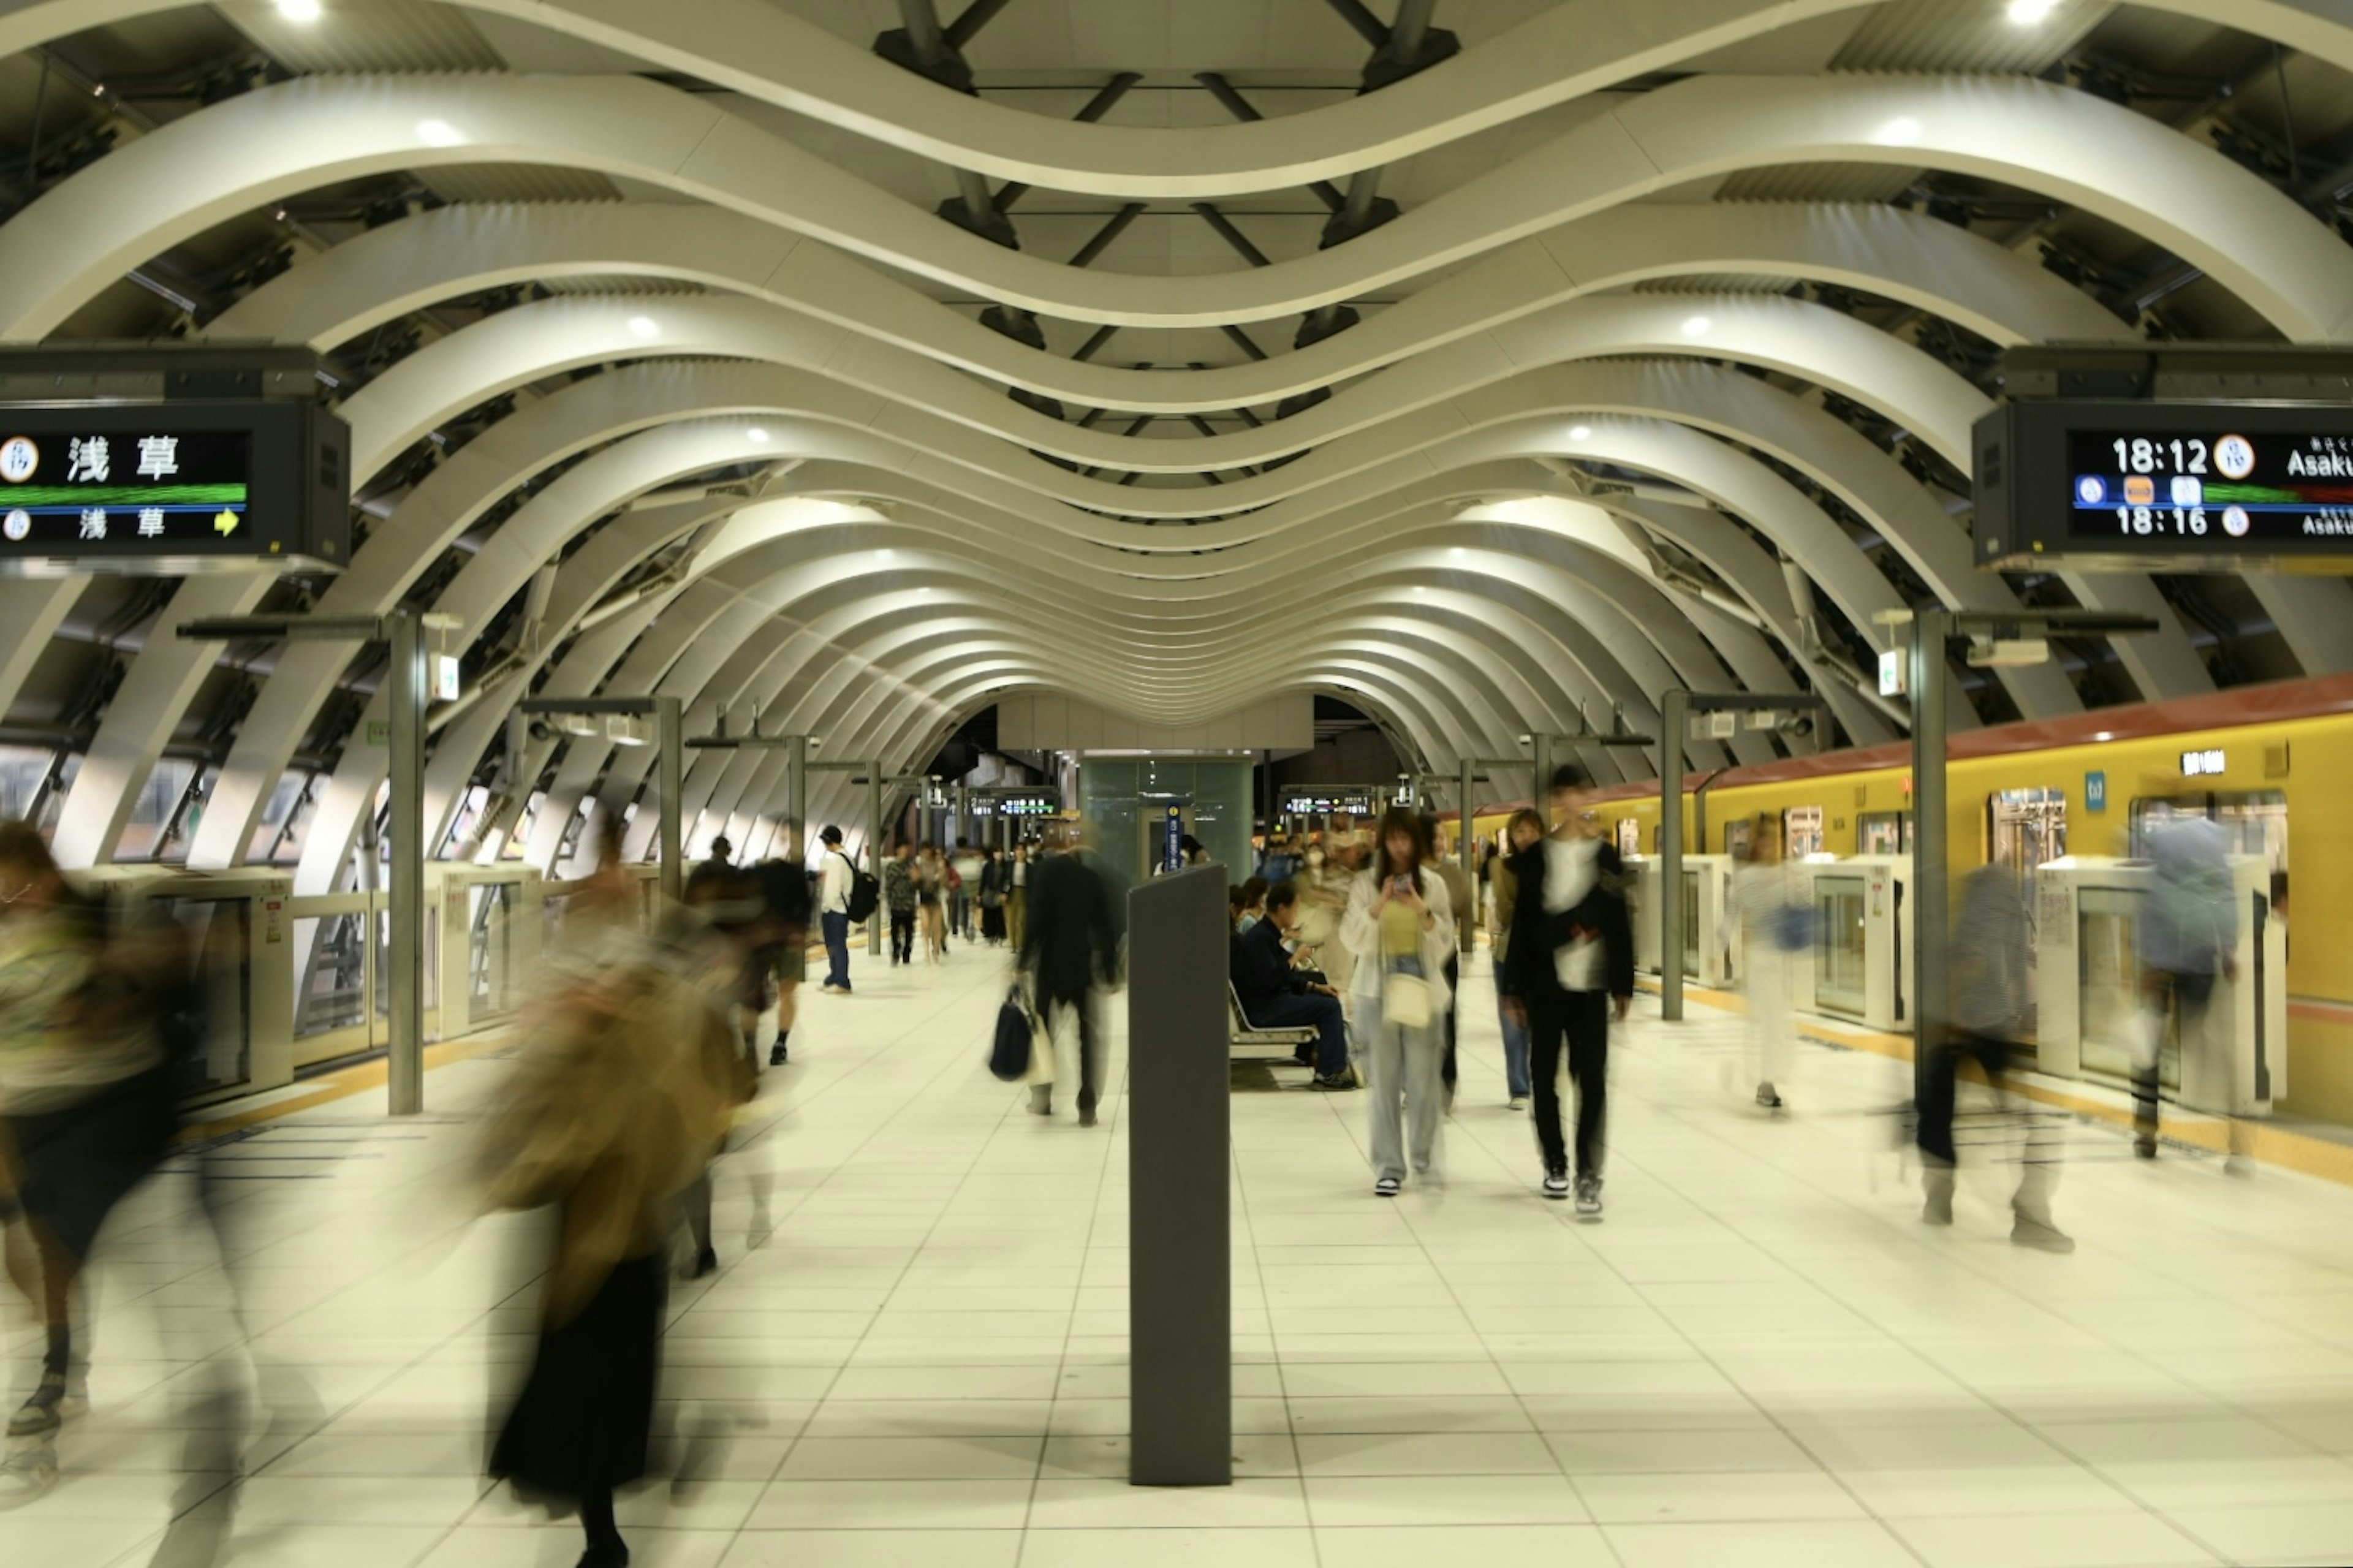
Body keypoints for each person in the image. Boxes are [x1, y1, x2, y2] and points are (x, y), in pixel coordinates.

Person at [480, 898, 746, 1568]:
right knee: (580, 1390)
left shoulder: (649, 1041)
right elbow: (513, 1141)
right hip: (579, 1254)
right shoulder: (571, 1048)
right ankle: (598, 1522)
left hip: (624, 1250)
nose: (589, 993)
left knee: (604, 1392)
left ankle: (602, 1526)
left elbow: (688, 1131)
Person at [0, 825, 176, 1506]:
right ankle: (58, 1356)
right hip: (20, 1108)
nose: (17, 897)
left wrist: (89, 1013)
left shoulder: (97, 920)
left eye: (23, 882)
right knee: (28, 1251)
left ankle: (56, 1371)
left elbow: (141, 999)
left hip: (97, 1112)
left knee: (57, 1250)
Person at [1919, 864, 2074, 1251]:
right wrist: (2018, 1009)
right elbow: (2001, 957)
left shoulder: (1962, 893)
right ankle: (2030, 1212)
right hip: (1985, 1022)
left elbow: (1982, 956)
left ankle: (1939, 1193)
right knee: (2023, 1116)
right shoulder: (1999, 898)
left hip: (1953, 1022)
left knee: (1938, 1111)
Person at [1502, 765, 1633, 1216]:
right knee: (1543, 1076)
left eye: (1581, 791)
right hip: (1545, 983)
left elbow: (1618, 919)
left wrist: (1623, 983)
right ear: (1557, 798)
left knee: (1592, 1080)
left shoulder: (1607, 856)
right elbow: (1524, 924)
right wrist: (1513, 986)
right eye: (1565, 793)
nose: (1574, 800)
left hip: (1592, 985)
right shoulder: (1538, 856)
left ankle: (1589, 1173)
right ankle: (1555, 1161)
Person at [1341, 808, 1457, 1196]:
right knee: (1385, 1083)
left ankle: (1424, 1160)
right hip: (1377, 988)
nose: (1398, 846)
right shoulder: (1364, 885)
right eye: (1391, 839)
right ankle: (1389, 1166)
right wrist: (1380, 904)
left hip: (1421, 985)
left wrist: (1421, 911)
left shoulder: (1434, 885)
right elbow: (1351, 940)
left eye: (1405, 838)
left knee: (1424, 1082)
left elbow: (1446, 943)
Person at [2134, 812, 2238, 1161]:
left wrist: (2148, 962)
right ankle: (2237, 1135)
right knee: (2209, 1043)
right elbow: (2226, 900)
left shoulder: (2161, 850)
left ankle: (2146, 1131)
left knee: (2151, 1046)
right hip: (2201, 964)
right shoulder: (2213, 852)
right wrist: (2228, 951)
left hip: (2163, 967)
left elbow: (2148, 910)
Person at [1020, 821, 1118, 1126]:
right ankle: (1087, 1097)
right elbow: (1105, 928)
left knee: (1043, 1032)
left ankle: (1043, 1096)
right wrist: (1110, 970)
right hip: (1081, 964)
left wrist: (1022, 961)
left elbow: (1036, 919)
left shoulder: (1045, 874)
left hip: (1049, 965)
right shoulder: (1091, 879)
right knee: (1087, 1035)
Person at [1233, 881, 1354, 1089]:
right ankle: (1328, 1073)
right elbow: (1273, 978)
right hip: (1264, 1008)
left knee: (1326, 996)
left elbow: (1282, 976)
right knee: (1330, 1008)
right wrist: (1296, 957)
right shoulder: (1260, 938)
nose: (1296, 914)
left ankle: (1314, 1056)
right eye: (1295, 909)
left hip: (1269, 1001)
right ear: (1282, 908)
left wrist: (1315, 988)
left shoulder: (1266, 934)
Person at [1732, 812, 1805, 1112]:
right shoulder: (1749, 877)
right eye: (1768, 839)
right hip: (1761, 959)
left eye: (1777, 839)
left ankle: (1767, 1079)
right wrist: (1720, 948)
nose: (1773, 845)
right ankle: (1766, 1082)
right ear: (1758, 843)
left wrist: (1792, 885)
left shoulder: (1784, 873)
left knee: (1775, 1022)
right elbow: (1735, 910)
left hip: (1779, 958)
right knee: (1771, 1022)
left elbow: (1800, 904)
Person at [1488, 808, 1545, 1110]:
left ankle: (1541, 1084)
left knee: (1543, 1023)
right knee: (1513, 1024)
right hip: (1509, 953)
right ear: (1511, 835)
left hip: (1544, 956)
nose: (1527, 837)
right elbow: (1506, 910)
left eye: (1533, 830)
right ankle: (1519, 1088)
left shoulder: (1553, 865)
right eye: (1520, 831)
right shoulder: (1501, 866)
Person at [1428, 825, 1474, 1111]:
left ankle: (1446, 1083)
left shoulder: (1452, 874)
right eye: (1434, 837)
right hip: (1413, 957)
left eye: (1443, 837)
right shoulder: (1406, 873)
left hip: (1445, 957)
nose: (1440, 843)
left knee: (1446, 1020)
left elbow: (1466, 910)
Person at [816, 825, 856, 994]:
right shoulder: (847, 857)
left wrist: (827, 906)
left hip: (836, 909)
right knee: (834, 944)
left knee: (837, 945)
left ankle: (842, 981)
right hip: (840, 908)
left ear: (828, 841)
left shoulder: (839, 860)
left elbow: (834, 888)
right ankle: (834, 976)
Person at [883, 841, 919, 966]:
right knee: (895, 930)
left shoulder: (912, 865)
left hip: (909, 902)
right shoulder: (892, 866)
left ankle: (907, 953)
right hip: (896, 902)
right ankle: (895, 952)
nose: (905, 852)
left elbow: (917, 883)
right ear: (897, 850)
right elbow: (889, 883)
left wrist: (915, 878)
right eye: (902, 850)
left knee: (910, 930)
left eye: (907, 850)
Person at [916, 845, 947, 963]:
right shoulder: (919, 866)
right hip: (924, 898)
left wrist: (941, 871)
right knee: (925, 925)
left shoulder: (938, 865)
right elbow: (916, 881)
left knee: (936, 926)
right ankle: (926, 951)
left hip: (936, 898)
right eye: (923, 852)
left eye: (927, 851)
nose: (925, 854)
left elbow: (944, 881)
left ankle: (936, 950)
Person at [950, 840, 983, 940]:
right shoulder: (968, 855)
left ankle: (956, 928)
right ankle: (962, 928)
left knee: (957, 906)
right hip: (964, 882)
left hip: (958, 882)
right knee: (963, 906)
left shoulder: (954, 856)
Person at [979, 846, 1010, 945]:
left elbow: (1007, 881)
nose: (999, 855)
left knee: (999, 914)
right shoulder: (988, 866)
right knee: (988, 914)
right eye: (996, 852)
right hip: (988, 892)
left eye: (1001, 852)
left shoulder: (1006, 866)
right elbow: (983, 880)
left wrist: (1005, 892)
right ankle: (990, 935)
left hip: (999, 892)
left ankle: (1000, 934)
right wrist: (980, 894)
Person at [1007, 844, 1030, 952]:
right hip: (1011, 893)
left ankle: (1021, 943)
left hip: (1024, 893)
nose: (1020, 852)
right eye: (1018, 850)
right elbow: (1006, 880)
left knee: (1021, 920)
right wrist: (1003, 892)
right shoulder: (1010, 866)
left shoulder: (1030, 867)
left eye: (1022, 850)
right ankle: (1013, 944)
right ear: (1015, 852)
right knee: (1011, 920)